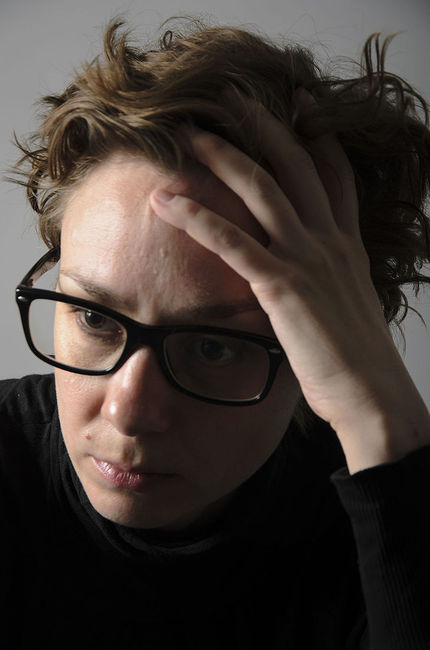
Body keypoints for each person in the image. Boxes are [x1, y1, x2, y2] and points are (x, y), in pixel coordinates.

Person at [2, 15, 430, 650]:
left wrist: (381, 418)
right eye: (94, 318)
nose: (129, 412)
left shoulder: (377, 528)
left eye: (213, 347)